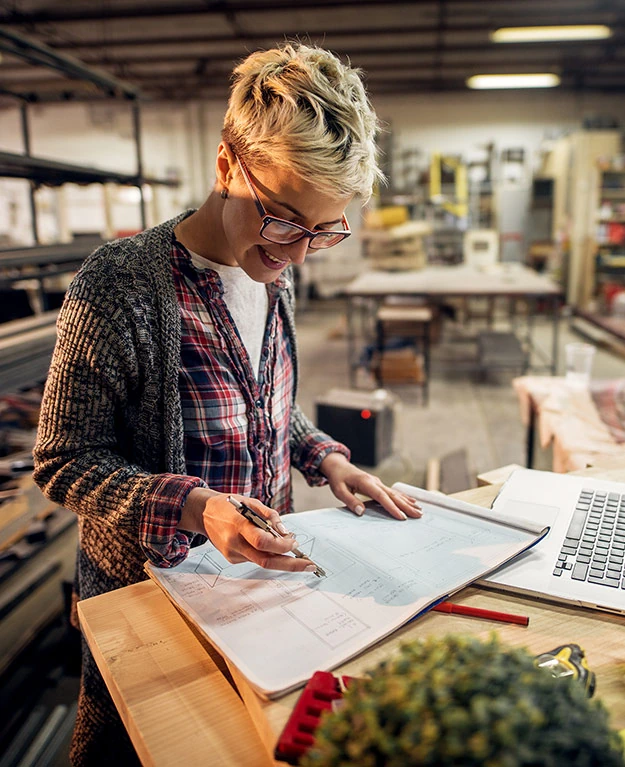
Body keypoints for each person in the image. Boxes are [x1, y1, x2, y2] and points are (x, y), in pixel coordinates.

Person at [33, 42, 421, 765]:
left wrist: (324, 455)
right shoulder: (119, 285)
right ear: (225, 164)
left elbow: (260, 404)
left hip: (263, 592)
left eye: (322, 230)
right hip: (152, 603)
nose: (299, 252)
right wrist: (192, 504)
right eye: (281, 218)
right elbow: (62, 459)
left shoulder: (276, 273)